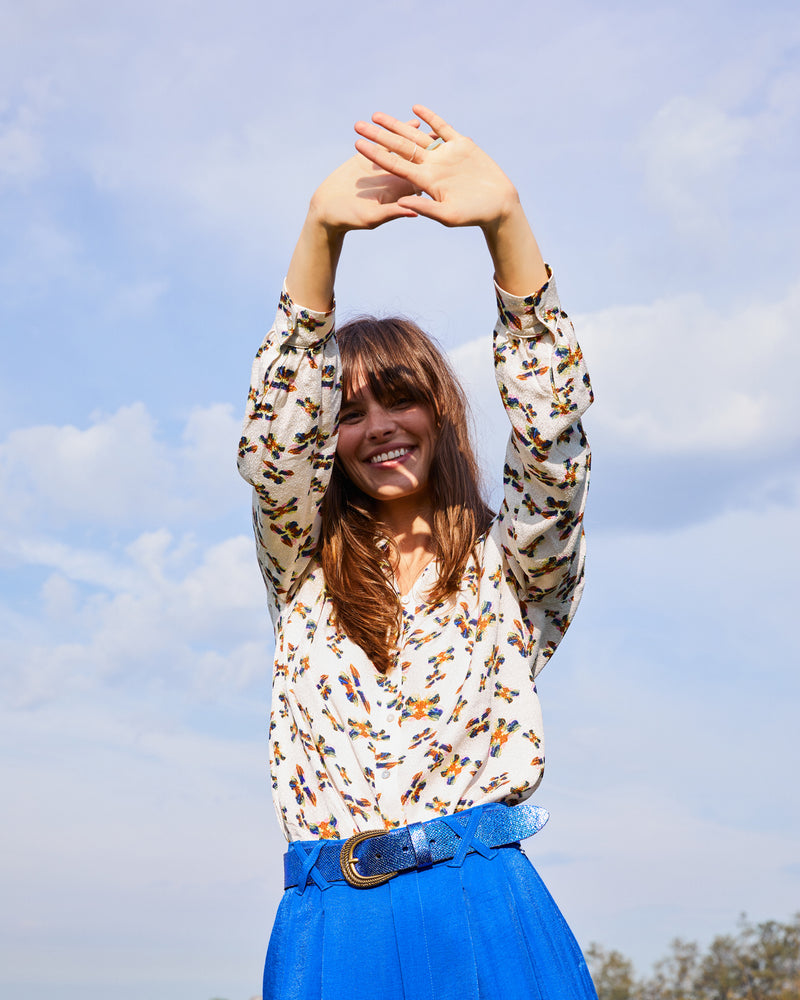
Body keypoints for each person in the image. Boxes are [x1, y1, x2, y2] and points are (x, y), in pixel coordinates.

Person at [237, 106, 597, 1000]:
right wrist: (319, 237)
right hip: (333, 925)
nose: (378, 428)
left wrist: (506, 226)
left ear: (439, 409)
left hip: (487, 911)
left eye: (397, 399)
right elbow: (276, 443)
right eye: (348, 412)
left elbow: (554, 443)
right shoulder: (301, 564)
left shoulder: (513, 568)